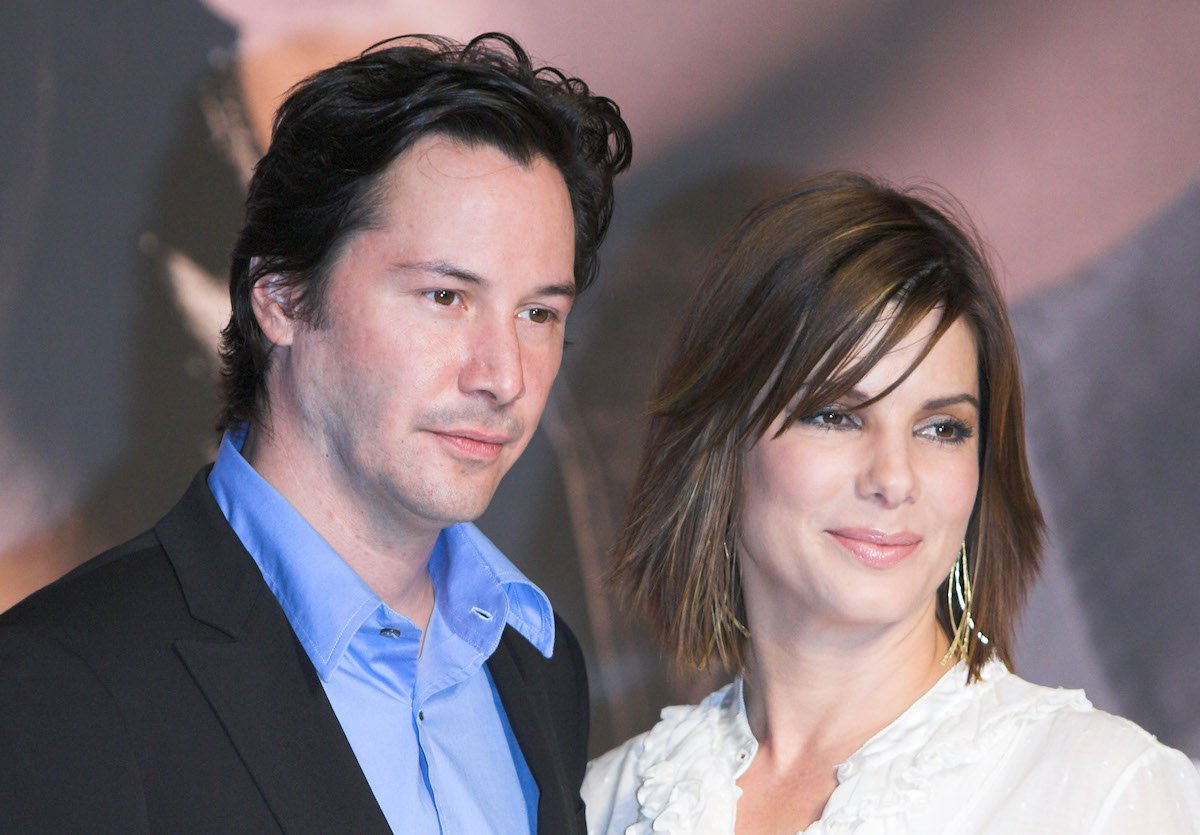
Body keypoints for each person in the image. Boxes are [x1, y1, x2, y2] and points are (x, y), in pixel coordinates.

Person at [0, 33, 630, 833]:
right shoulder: (66, 682)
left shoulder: (537, 660)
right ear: (282, 298)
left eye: (538, 313)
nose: (503, 375)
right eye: (445, 297)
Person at [583, 173, 1200, 833]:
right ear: (722, 442)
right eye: (835, 416)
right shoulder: (604, 802)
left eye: (941, 428)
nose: (894, 478)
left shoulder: (1104, 791)